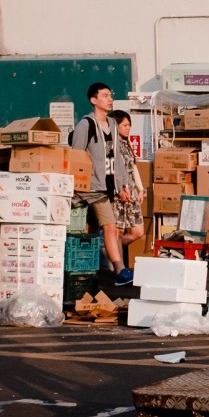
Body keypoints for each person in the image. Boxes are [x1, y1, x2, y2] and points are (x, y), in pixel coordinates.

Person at [71, 83, 133, 286]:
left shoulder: (113, 126)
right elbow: (76, 156)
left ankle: (113, 269)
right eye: (105, 95)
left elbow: (118, 158)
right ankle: (119, 270)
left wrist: (123, 184)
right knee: (110, 226)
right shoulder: (85, 125)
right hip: (91, 188)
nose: (110, 99)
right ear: (93, 100)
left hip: (108, 186)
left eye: (110, 95)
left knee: (108, 229)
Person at [109, 109, 146, 257]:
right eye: (125, 125)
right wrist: (119, 190)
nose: (128, 128)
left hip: (131, 192)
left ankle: (107, 249)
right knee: (116, 231)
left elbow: (133, 167)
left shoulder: (126, 143)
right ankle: (118, 265)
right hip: (118, 192)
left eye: (129, 125)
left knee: (138, 231)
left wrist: (141, 188)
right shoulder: (110, 145)